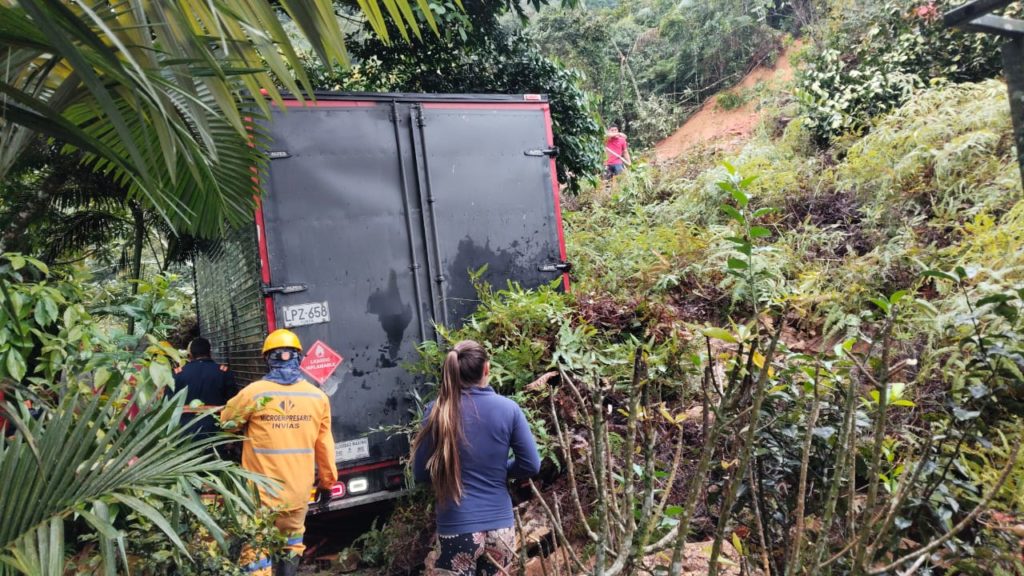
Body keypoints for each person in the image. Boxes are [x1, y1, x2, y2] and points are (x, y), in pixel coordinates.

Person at [412, 340, 541, 576]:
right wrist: (501, 470)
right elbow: (531, 464)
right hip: (501, 528)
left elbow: (420, 474)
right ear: (487, 369)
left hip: (456, 527)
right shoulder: (509, 409)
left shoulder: (436, 411)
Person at [220, 329, 337, 576]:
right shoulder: (317, 397)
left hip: (260, 496)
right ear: (299, 357)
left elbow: (227, 425)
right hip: (297, 493)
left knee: (255, 548)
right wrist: (327, 482)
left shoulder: (255, 393)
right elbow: (324, 446)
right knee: (292, 542)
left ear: (267, 359)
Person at [173, 337, 235, 439]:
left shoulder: (178, 374)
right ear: (209, 352)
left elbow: (169, 404)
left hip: (185, 433)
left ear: (191, 354)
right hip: (216, 431)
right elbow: (233, 403)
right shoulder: (223, 372)